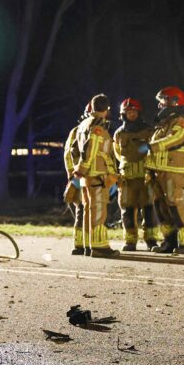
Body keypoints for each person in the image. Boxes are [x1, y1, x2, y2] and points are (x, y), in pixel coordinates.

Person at [146, 86, 184, 254]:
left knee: (177, 206)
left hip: (174, 171)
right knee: (161, 208)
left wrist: (153, 146)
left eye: (163, 101)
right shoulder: (163, 124)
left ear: (173, 102)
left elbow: (177, 138)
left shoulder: (182, 121)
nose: (160, 105)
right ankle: (169, 241)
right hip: (158, 172)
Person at [72, 94, 119, 258]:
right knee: (98, 210)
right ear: (106, 109)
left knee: (87, 210)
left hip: (86, 177)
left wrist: (78, 168)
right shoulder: (98, 126)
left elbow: (74, 149)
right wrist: (84, 168)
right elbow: (91, 149)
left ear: (91, 107)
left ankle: (87, 245)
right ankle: (100, 247)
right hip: (96, 174)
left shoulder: (83, 124)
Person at [113, 97, 158, 252]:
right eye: (128, 112)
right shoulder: (119, 133)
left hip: (146, 177)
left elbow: (154, 152)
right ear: (123, 114)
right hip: (127, 179)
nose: (131, 114)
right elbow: (117, 153)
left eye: (134, 111)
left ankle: (151, 240)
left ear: (139, 112)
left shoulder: (149, 131)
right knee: (127, 210)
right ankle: (130, 241)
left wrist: (151, 171)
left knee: (149, 209)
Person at [62, 103, 90, 255]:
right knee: (82, 209)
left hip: (91, 177)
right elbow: (69, 155)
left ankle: (85, 243)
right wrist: (73, 175)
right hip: (81, 176)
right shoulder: (78, 131)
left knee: (88, 210)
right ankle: (80, 244)